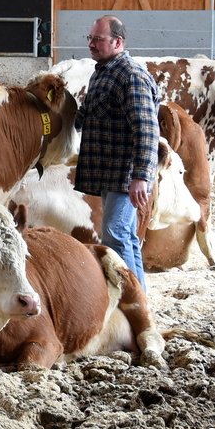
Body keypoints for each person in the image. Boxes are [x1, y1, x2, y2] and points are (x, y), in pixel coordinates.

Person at [73, 15, 159, 291]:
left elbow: (146, 129)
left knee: (115, 232)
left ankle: (131, 301)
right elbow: (87, 114)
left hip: (125, 173)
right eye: (90, 38)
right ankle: (139, 297)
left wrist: (141, 177)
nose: (91, 44)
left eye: (98, 39)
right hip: (111, 171)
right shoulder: (103, 71)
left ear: (117, 42)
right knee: (125, 235)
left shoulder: (130, 75)